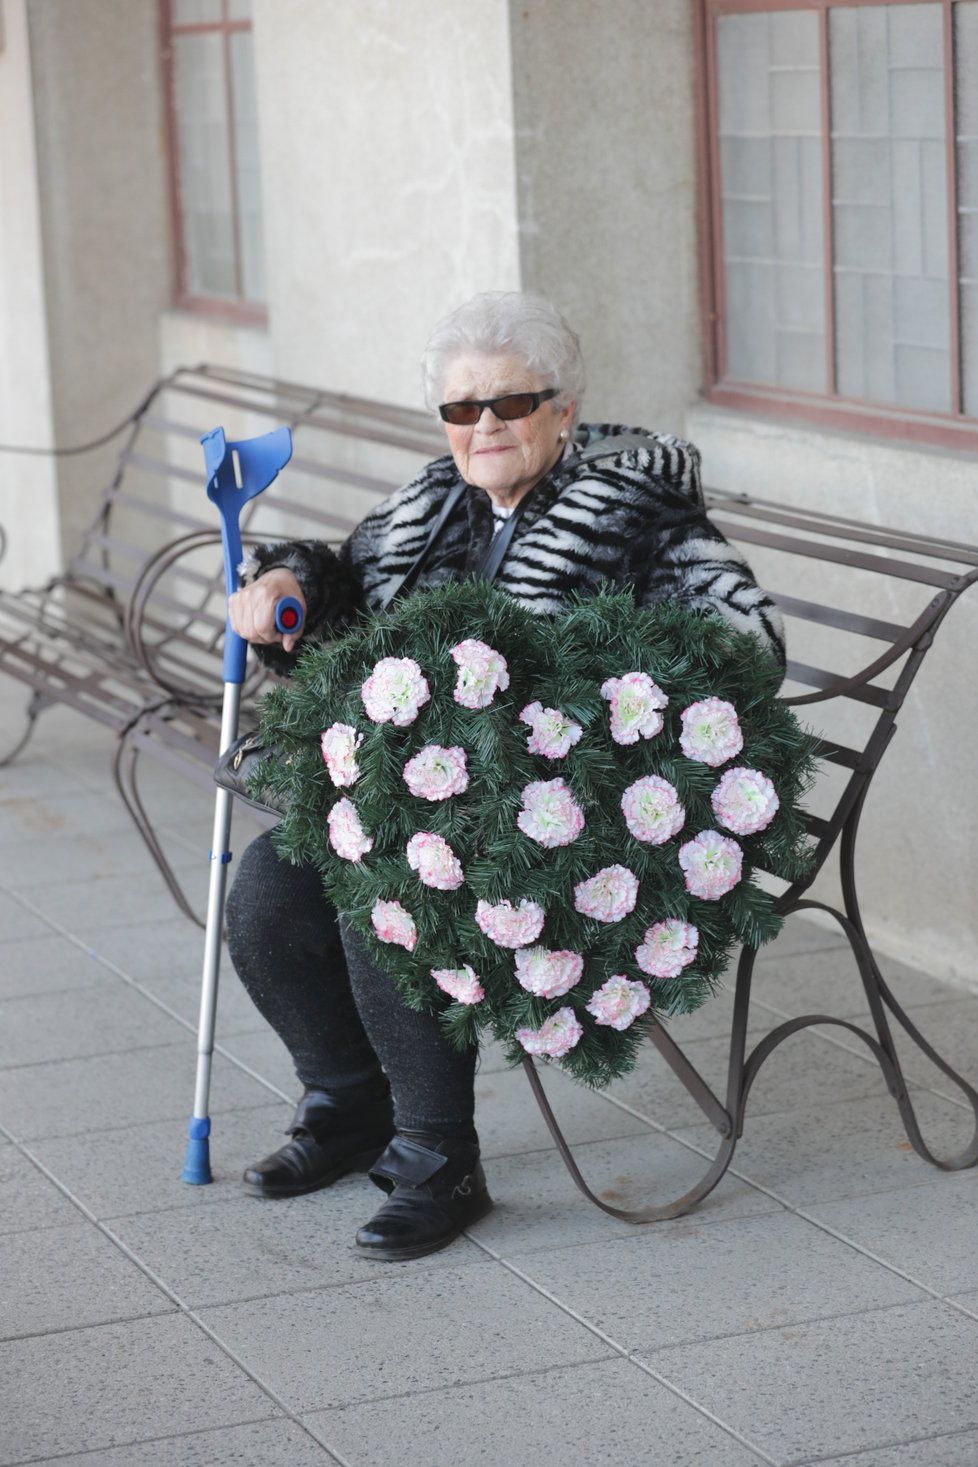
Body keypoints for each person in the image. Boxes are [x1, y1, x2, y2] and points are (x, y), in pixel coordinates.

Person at [225, 291, 784, 1262]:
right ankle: (349, 1101)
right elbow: (342, 578)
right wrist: (289, 586)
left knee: (384, 882)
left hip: (571, 820)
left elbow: (743, 639)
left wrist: (579, 706)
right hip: (420, 803)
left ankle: (437, 1157)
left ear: (561, 411)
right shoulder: (428, 505)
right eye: (460, 409)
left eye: (510, 404)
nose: (483, 427)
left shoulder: (629, 507)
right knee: (271, 886)